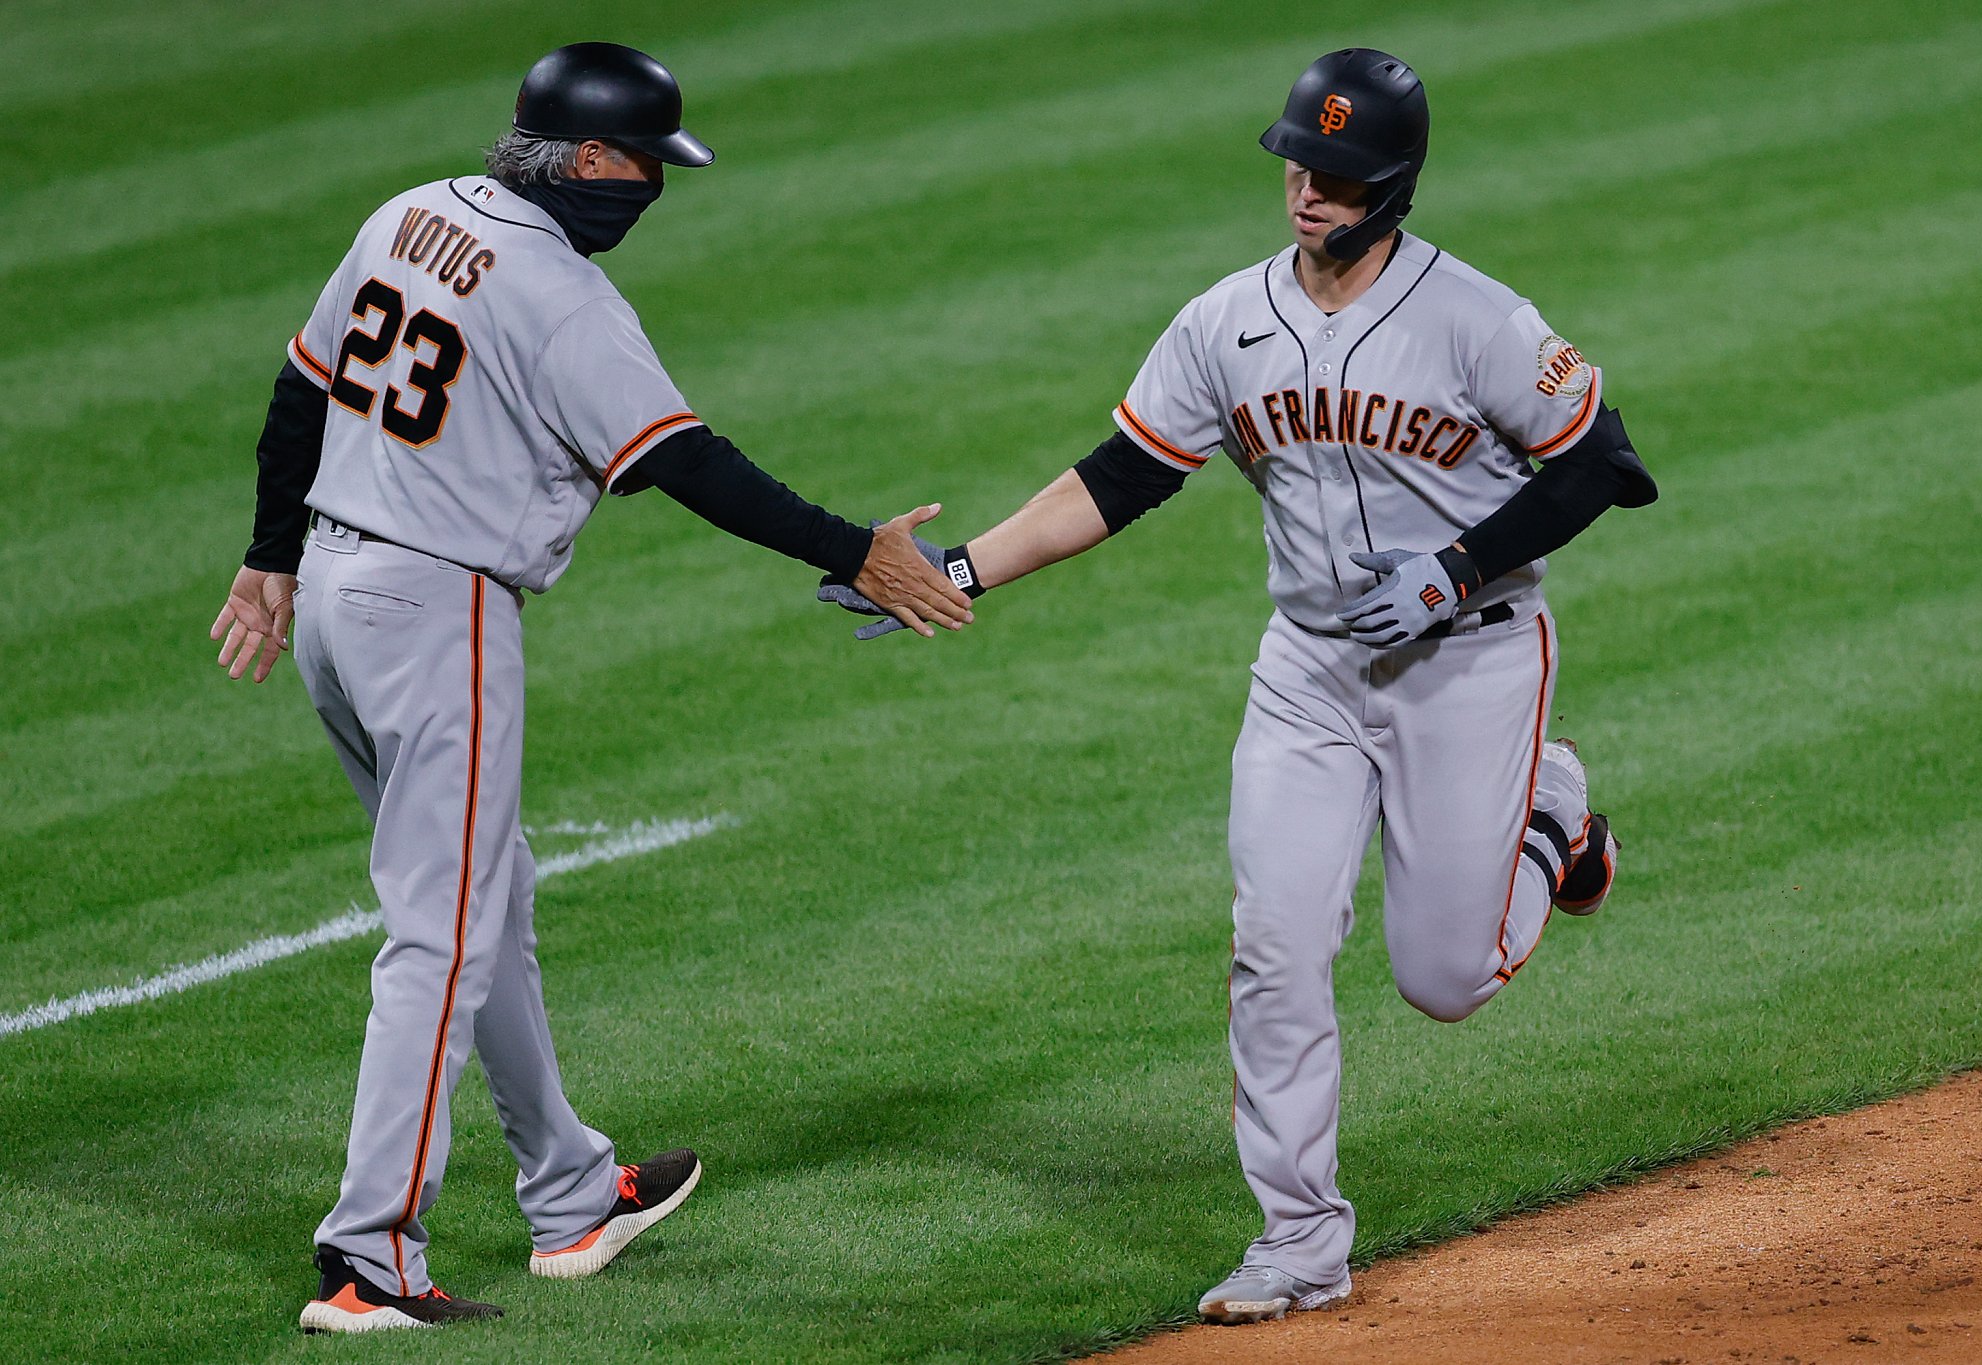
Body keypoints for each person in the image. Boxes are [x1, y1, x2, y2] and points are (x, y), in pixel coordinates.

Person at [821, 48, 1655, 1323]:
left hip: (1468, 659)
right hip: (1308, 676)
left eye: (1334, 174)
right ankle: (1298, 1240)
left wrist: (1458, 565)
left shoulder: (1475, 320)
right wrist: (965, 571)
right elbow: (1120, 477)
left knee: (1442, 979)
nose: (1305, 192)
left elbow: (1604, 463)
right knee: (1273, 944)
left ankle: (1549, 819)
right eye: (1294, 165)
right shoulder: (1227, 322)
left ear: (1391, 185)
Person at [209, 42, 974, 1334]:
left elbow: (305, 380)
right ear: (600, 163)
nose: (654, 191)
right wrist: (859, 549)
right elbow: (689, 462)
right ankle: (367, 1262)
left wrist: (267, 558)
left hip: (336, 597)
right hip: (434, 610)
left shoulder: (412, 213)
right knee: (441, 939)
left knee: (485, 899)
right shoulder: (562, 299)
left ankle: (571, 1190)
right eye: (648, 167)